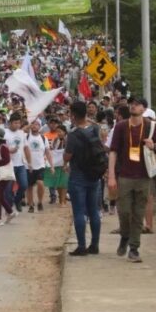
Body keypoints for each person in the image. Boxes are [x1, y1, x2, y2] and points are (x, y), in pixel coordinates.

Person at [108, 97, 156, 263]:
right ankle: (125, 236)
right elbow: (113, 151)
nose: (133, 106)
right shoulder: (120, 127)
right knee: (124, 211)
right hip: (125, 175)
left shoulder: (150, 126)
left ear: (144, 109)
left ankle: (134, 248)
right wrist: (111, 175)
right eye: (132, 104)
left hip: (143, 176)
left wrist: (153, 145)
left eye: (137, 105)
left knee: (138, 213)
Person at [64, 101, 102, 256]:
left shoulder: (73, 135)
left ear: (73, 115)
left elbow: (67, 156)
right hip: (94, 175)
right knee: (93, 210)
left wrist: (65, 159)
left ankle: (81, 246)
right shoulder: (95, 129)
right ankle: (94, 245)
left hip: (78, 175)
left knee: (79, 212)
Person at [25, 119, 53, 212]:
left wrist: (52, 166)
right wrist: (29, 124)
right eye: (33, 124)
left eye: (37, 124)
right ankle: (31, 205)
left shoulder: (43, 138)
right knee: (29, 186)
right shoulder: (26, 136)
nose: (34, 126)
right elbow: (21, 131)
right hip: (28, 166)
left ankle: (40, 202)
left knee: (40, 183)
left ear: (40, 126)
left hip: (40, 165)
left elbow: (48, 152)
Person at [4, 113, 30, 212]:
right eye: (15, 123)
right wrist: (9, 150)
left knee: (24, 185)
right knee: (8, 189)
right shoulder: (5, 133)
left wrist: (29, 161)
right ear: (10, 123)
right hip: (9, 164)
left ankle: (17, 200)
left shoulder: (21, 133)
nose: (17, 125)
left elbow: (26, 147)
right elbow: (0, 147)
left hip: (20, 164)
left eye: (19, 123)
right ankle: (9, 208)